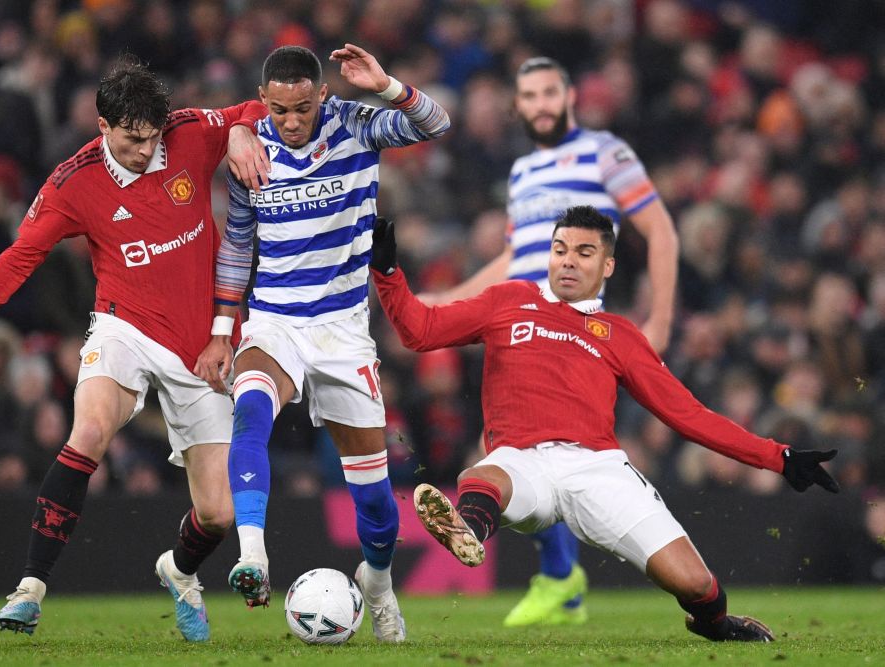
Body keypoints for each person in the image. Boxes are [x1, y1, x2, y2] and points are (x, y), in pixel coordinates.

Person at [370, 206, 839, 642]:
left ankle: (715, 624)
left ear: (607, 266)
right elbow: (421, 331)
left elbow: (688, 414)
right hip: (521, 460)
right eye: (560, 250)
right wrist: (388, 274)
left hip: (598, 468)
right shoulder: (509, 300)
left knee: (695, 583)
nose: (568, 262)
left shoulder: (620, 336)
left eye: (583, 252)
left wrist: (778, 458)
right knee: (483, 476)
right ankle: (468, 530)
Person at [0, 56, 271, 642]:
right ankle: (30, 590)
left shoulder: (190, 132)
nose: (144, 151)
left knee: (218, 515)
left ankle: (179, 569)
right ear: (102, 125)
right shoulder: (73, 183)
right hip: (124, 327)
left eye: (151, 137)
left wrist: (242, 128)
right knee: (88, 432)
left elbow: (256, 106)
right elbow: (23, 252)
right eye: (131, 139)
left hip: (204, 346)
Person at [421, 56, 680, 627]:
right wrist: (443, 303)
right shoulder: (521, 173)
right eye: (529, 96)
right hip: (522, 323)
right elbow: (515, 259)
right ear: (519, 106)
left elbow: (658, 227)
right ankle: (562, 578)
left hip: (578, 329)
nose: (539, 104)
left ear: (568, 98)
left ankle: (573, 573)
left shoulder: (605, 152)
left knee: (552, 449)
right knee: (519, 447)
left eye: (548, 93)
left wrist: (658, 320)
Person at [210, 44, 450, 643]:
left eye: (302, 108)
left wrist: (388, 84)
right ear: (263, 101)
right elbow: (239, 245)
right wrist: (222, 331)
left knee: (373, 502)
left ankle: (379, 584)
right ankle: (253, 556)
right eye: (279, 110)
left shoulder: (355, 124)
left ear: (321, 96)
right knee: (250, 412)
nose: (291, 121)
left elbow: (436, 124)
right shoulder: (250, 149)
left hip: (344, 332)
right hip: (274, 322)